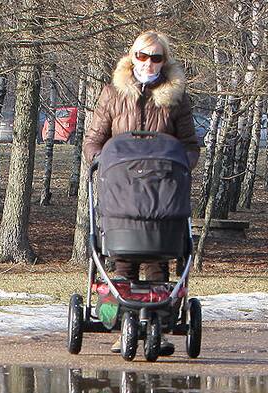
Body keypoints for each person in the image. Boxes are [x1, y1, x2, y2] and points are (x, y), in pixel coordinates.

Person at [84, 32, 199, 354]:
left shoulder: (176, 97)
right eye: (143, 56)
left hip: (162, 188)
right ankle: (123, 327)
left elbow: (190, 145)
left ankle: (158, 328)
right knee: (123, 259)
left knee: (158, 260)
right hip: (123, 186)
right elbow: (94, 139)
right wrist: (101, 161)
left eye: (157, 57)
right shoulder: (112, 94)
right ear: (132, 56)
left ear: (166, 61)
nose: (149, 63)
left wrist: (180, 165)